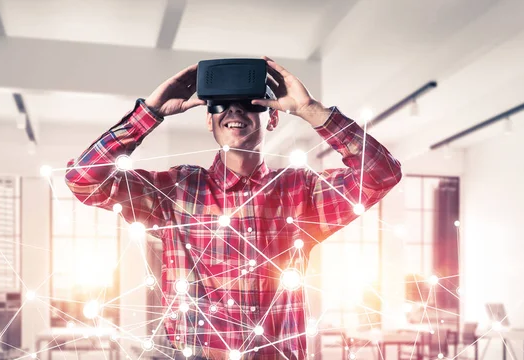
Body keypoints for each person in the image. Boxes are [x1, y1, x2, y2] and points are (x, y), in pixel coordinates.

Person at [65, 56, 402, 360]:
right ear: (209, 122)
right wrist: (147, 115)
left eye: (249, 103)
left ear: (272, 120)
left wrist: (312, 110)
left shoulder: (301, 192)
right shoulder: (176, 191)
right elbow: (82, 180)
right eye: (220, 105)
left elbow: (381, 175)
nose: (235, 110)